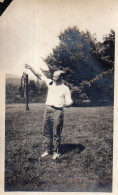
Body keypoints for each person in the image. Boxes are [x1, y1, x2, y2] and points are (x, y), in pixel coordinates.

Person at [25, 64, 73, 160]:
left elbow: (70, 101)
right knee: (46, 132)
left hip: (57, 111)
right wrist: (31, 68)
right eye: (53, 76)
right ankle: (47, 150)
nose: (54, 78)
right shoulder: (50, 83)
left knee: (56, 133)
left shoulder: (65, 88)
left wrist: (65, 104)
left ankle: (56, 152)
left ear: (61, 77)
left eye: (56, 77)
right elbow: (40, 75)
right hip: (47, 110)